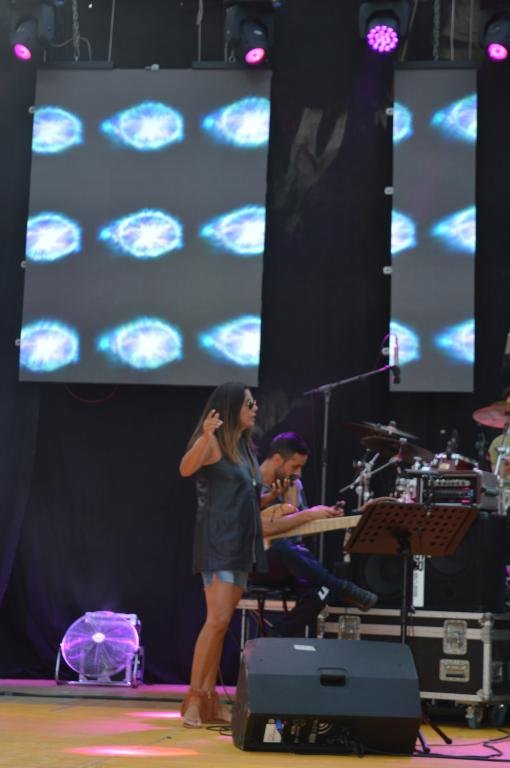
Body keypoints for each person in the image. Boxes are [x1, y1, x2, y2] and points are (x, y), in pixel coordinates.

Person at [179, 382, 267, 728]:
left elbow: (246, 497)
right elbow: (186, 468)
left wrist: (276, 498)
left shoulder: (244, 447)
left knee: (221, 624)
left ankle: (209, 699)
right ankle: (193, 701)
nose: (255, 408)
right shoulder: (212, 441)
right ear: (231, 408)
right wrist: (204, 436)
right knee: (215, 620)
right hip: (218, 543)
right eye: (249, 403)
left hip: (241, 545)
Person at [249, 432, 378, 637]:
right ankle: (342, 587)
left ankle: (278, 634)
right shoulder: (251, 482)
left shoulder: (294, 484)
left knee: (320, 589)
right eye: (295, 466)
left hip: (291, 562)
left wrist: (323, 514)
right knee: (284, 548)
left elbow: (297, 531)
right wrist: (309, 514)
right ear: (277, 459)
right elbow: (259, 528)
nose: (299, 473)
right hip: (257, 564)